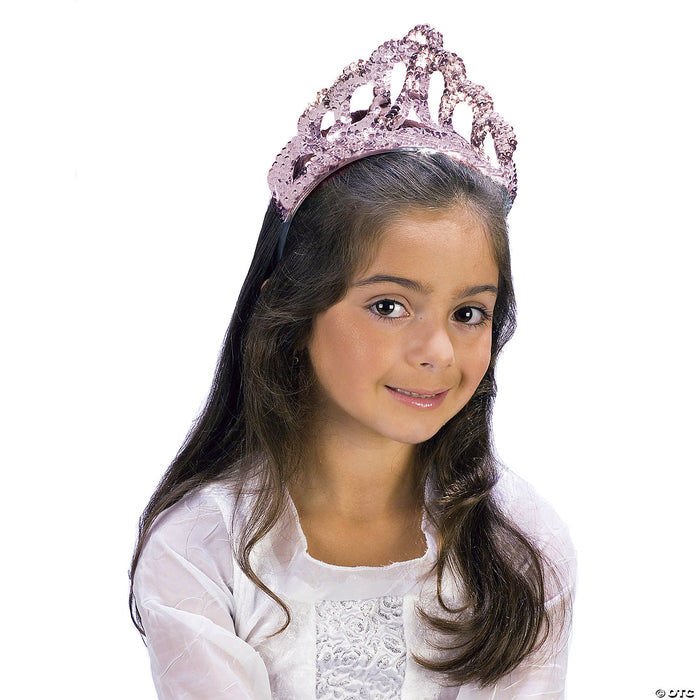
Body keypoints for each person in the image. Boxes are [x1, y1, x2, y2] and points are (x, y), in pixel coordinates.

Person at [130, 25, 575, 699]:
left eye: (468, 313)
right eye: (389, 306)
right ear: (292, 310)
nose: (437, 352)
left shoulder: (517, 548)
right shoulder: (205, 548)